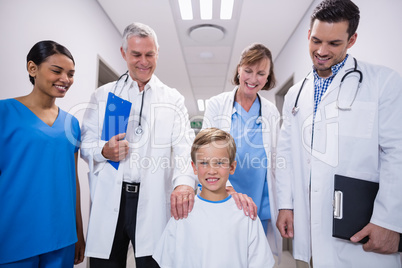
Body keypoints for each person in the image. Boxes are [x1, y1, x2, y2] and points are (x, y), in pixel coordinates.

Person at [275, 0, 402, 267]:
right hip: (311, 224)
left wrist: (389, 221)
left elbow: (397, 154)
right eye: (316, 40)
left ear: (352, 39)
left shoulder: (383, 82)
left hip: (363, 224)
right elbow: (286, 153)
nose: (321, 51)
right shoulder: (295, 94)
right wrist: (285, 204)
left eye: (334, 44)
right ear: (308, 34)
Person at [80, 22, 199, 268]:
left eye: (149, 54)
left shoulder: (172, 98)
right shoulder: (104, 96)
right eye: (136, 55)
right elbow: (85, 143)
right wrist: (104, 150)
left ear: (157, 53)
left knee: (152, 262)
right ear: (124, 53)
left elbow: (183, 147)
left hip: (153, 198)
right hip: (112, 197)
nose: (143, 61)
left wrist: (184, 184)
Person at [0, 40, 85, 267]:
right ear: (32, 68)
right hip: (13, 231)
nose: (65, 79)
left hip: (61, 234)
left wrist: (79, 231)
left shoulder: (72, 124)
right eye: (57, 71)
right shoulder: (4, 113)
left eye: (70, 74)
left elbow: (72, 181)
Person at [202, 43, 282, 258]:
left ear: (267, 77)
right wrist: (228, 189)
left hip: (261, 202)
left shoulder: (271, 112)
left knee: (257, 259)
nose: (253, 78)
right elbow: (207, 153)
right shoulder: (217, 105)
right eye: (248, 70)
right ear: (239, 69)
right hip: (225, 197)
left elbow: (278, 161)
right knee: (224, 258)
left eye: (261, 73)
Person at [153, 128, 275, 268]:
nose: (212, 170)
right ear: (194, 167)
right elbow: (168, 262)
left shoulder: (246, 214)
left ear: (232, 167)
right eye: (204, 163)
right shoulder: (183, 213)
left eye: (219, 163)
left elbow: (260, 263)